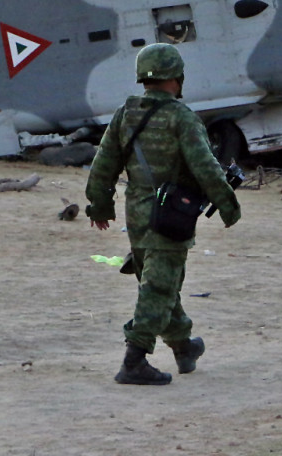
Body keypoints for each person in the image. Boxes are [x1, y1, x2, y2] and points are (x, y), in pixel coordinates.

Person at [86, 43, 241, 385]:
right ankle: (134, 361)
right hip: (170, 214)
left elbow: (104, 164)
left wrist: (99, 205)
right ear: (177, 78)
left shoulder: (125, 114)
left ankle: (185, 347)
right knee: (158, 287)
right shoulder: (182, 118)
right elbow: (206, 167)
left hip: (138, 214)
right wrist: (228, 204)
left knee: (160, 283)